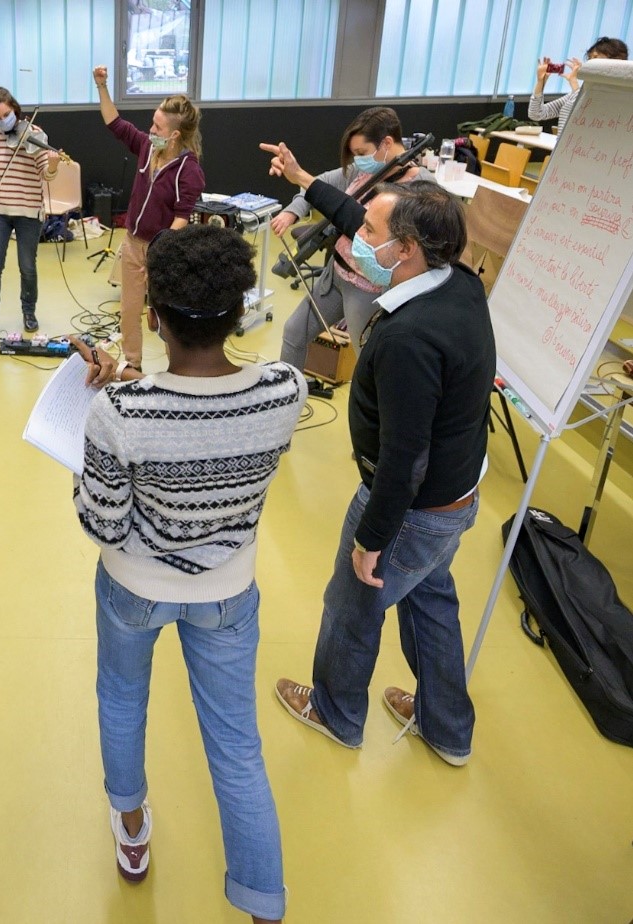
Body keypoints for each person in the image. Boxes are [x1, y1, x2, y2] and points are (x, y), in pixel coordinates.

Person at [73, 225, 303, 924]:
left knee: (121, 700)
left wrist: (101, 428)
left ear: (154, 319)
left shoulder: (119, 412)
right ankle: (263, 901)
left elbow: (104, 524)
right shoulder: (286, 391)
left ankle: (131, 829)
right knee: (237, 746)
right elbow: (208, 421)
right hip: (229, 591)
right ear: (238, 313)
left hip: (134, 589)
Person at [261, 141, 495, 768]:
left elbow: (404, 460)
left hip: (411, 509)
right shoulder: (458, 283)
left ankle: (336, 713)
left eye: (369, 232)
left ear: (406, 249)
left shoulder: (409, 338)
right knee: (431, 601)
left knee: (353, 605)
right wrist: (305, 179)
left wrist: (372, 537)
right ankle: (448, 728)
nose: (356, 238)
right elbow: (356, 216)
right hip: (456, 494)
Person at [268, 107, 432, 394]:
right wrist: (293, 211)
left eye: (362, 152)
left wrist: (300, 176)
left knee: (370, 364)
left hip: (369, 291)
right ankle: (284, 400)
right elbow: (320, 185)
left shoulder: (420, 188)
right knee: (294, 332)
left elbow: (363, 225)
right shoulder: (363, 170)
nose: (358, 160)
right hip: (335, 277)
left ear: (387, 143)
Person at [92, 65, 206, 371]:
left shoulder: (189, 171)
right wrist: (102, 86)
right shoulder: (146, 147)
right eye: (152, 124)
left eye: (158, 127)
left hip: (164, 252)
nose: (151, 130)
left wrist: (158, 253)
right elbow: (114, 122)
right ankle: (133, 366)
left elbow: (182, 217)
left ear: (175, 135)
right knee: (129, 312)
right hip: (132, 244)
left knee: (167, 316)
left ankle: (177, 371)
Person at [0, 86, 60, 339]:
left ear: (15, 110)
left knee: (27, 266)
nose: (3, 121)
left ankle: (29, 312)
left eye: (7, 115)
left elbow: (46, 174)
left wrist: (53, 165)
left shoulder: (34, 134)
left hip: (28, 212)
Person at [530, 37, 629, 134]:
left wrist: (574, 83)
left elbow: (585, 116)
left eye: (595, 57)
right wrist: (541, 82)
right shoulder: (578, 92)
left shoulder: (620, 96)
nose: (590, 62)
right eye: (589, 58)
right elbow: (537, 114)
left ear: (616, 61)